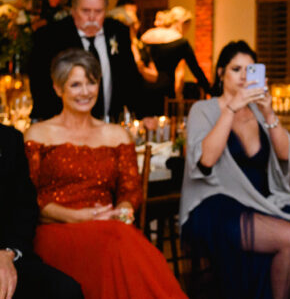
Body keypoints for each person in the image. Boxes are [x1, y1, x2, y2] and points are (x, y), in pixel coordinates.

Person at [22, 49, 186, 298]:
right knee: (120, 245)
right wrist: (77, 217)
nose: (86, 91)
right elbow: (26, 199)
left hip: (109, 226)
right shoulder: (37, 135)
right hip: (54, 229)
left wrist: (123, 209)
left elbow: (130, 190)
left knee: (125, 243)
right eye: (76, 84)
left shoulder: (117, 135)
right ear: (58, 88)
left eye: (91, 82)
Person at [180, 41, 290, 299]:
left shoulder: (259, 113)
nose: (242, 77)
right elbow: (205, 160)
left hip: (260, 201)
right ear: (220, 73)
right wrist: (231, 109)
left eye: (249, 71)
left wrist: (269, 113)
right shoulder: (202, 110)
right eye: (236, 69)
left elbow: (286, 154)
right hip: (216, 204)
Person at [28, 0, 141, 122]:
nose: (92, 17)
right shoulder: (50, 36)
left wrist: (143, 113)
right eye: (86, 11)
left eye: (98, 11)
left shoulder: (118, 31)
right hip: (63, 124)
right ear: (74, 11)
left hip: (109, 122)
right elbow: (40, 83)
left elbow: (130, 76)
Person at [0, 123, 83, 299]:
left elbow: (24, 207)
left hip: (5, 256)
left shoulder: (9, 138)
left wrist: (7, 252)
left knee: (66, 291)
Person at [138, 6, 211, 115]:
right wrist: (211, 91)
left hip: (143, 87)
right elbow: (195, 70)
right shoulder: (181, 42)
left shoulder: (147, 35)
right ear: (182, 23)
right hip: (165, 90)